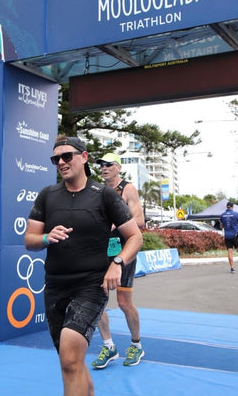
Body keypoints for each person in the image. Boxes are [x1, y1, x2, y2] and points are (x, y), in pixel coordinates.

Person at [24, 136, 143, 396]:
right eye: (57, 159)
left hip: (91, 285)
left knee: (69, 358)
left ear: (84, 157)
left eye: (68, 156)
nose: (62, 163)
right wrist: (46, 237)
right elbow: (29, 240)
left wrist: (118, 263)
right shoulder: (47, 195)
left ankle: (136, 343)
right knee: (71, 361)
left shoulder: (105, 195)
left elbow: (136, 236)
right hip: (55, 287)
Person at [91, 153, 145, 369]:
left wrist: (115, 225)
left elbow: (139, 220)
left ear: (118, 168)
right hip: (101, 252)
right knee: (96, 301)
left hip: (123, 251)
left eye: (108, 165)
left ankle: (136, 344)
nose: (104, 168)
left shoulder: (128, 189)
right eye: (101, 165)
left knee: (123, 303)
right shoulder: (97, 191)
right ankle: (108, 345)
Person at [220, 201, 238, 274]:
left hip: (227, 236)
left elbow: (221, 226)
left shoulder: (222, 215)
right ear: (232, 207)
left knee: (230, 251)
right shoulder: (236, 214)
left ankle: (232, 268)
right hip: (235, 235)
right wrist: (237, 223)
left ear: (227, 207)